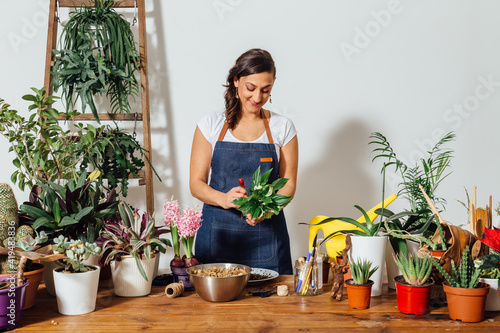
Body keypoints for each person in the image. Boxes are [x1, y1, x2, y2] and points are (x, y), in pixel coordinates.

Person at [190, 48, 298, 274]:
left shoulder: (283, 127)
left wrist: (264, 211)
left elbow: (287, 184)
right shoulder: (210, 124)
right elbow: (196, 183)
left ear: (273, 84)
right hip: (217, 237)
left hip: (267, 238)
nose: (257, 97)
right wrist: (224, 198)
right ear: (236, 81)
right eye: (251, 88)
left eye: (266, 90)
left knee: (272, 308)